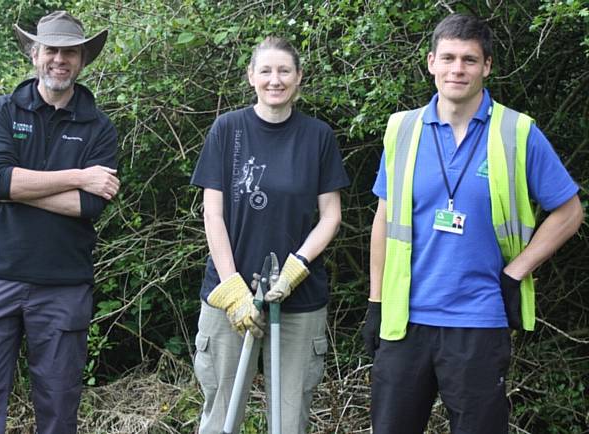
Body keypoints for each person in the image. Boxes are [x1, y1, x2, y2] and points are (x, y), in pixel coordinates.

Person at [362, 13, 583, 434]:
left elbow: (570, 211)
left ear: (487, 66)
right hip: (404, 321)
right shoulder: (402, 129)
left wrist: (517, 271)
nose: (456, 69)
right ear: (430, 63)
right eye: (447, 58)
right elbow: (384, 218)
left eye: (468, 59)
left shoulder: (518, 132)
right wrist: (375, 301)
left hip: (478, 321)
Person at [0, 11, 119, 434]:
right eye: (51, 50)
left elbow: (89, 207)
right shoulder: (1, 111)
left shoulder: (99, 127)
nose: (59, 59)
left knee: (59, 407)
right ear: (34, 53)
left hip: (64, 284)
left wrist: (18, 188)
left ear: (82, 59)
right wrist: (80, 176)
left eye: (70, 52)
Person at [191, 37, 350, 434]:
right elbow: (213, 213)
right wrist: (232, 289)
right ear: (251, 77)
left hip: (299, 300)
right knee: (221, 416)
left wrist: (297, 267)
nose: (274, 80)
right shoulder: (227, 129)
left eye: (284, 71)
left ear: (298, 78)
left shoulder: (318, 136)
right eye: (265, 70)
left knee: (289, 419)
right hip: (228, 299)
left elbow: (331, 215)